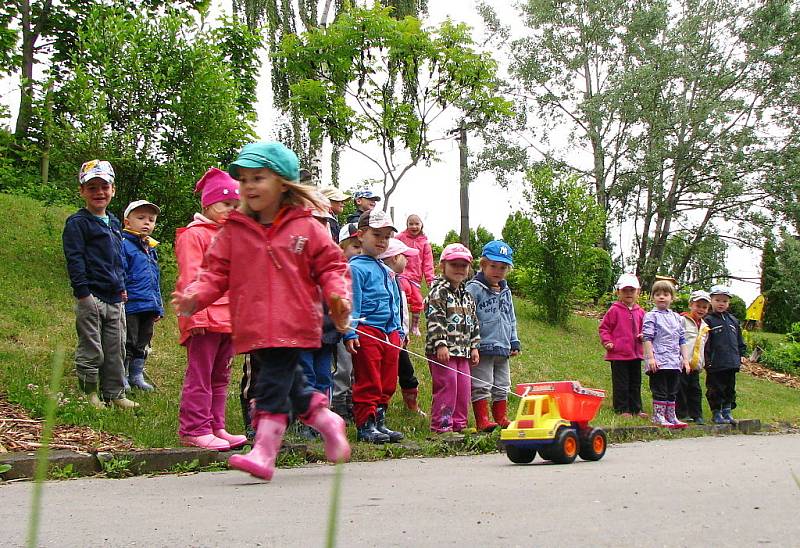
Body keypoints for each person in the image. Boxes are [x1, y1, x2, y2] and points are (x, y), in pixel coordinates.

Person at [172, 142, 352, 481]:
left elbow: (331, 264)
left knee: (269, 384)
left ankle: (264, 452)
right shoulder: (234, 230)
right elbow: (216, 271)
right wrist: (196, 295)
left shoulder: (307, 227)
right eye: (243, 179)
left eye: (258, 178)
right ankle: (326, 420)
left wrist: (336, 296)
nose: (249, 186)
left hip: (294, 322)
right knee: (292, 385)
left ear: (283, 184)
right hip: (252, 325)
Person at [174, 167, 244, 450]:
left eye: (236, 206)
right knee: (200, 375)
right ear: (208, 203)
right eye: (226, 204)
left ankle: (216, 425)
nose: (232, 210)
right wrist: (196, 313)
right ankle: (194, 428)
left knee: (221, 375)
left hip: (229, 319)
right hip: (205, 317)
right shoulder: (195, 235)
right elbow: (191, 276)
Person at [62, 160, 139, 410]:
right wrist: (83, 293)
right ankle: (90, 392)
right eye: (92, 187)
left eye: (104, 186)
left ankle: (115, 393)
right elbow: (75, 259)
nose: (99, 192)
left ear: (113, 190)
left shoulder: (115, 223)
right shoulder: (78, 223)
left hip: (116, 297)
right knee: (92, 348)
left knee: (116, 348)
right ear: (82, 191)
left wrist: (122, 286)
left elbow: (117, 258)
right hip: (91, 296)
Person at [344, 210, 404, 443]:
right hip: (367, 331)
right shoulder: (355, 268)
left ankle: (380, 420)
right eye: (376, 234)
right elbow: (352, 301)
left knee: (388, 380)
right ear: (360, 235)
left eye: (387, 237)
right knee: (369, 378)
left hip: (390, 333)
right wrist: (350, 331)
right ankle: (365, 423)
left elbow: (395, 302)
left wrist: (398, 331)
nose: (382, 241)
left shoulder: (388, 271)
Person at [424, 243, 480, 433]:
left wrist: (474, 346)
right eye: (454, 264)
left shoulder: (467, 295)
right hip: (443, 351)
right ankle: (442, 425)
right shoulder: (438, 291)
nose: (459, 269)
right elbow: (435, 318)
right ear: (443, 266)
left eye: (463, 265)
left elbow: (473, 322)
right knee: (448, 385)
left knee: (463, 388)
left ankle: (459, 424)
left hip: (463, 351)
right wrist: (440, 344)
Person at [466, 240, 520, 431]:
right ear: (483, 265)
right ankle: (482, 420)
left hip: (503, 346)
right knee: (482, 383)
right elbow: (468, 315)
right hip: (483, 346)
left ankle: (501, 418)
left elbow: (511, 317)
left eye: (503, 267)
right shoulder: (474, 288)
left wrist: (514, 340)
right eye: (493, 266)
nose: (498, 271)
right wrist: (472, 342)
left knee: (503, 384)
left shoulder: (506, 291)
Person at [378, 238, 426, 416]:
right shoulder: (384, 281)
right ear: (393, 258)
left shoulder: (401, 282)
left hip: (400, 337)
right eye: (404, 256)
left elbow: (403, 311)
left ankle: (411, 405)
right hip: (385, 336)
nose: (408, 260)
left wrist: (404, 333)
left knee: (407, 372)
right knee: (384, 373)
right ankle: (380, 407)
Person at [121, 200, 164, 392]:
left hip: (148, 304)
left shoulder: (150, 248)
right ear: (127, 222)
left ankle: (136, 374)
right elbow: (119, 272)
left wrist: (158, 306)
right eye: (141, 218)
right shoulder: (124, 245)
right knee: (128, 340)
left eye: (151, 219)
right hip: (130, 304)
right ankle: (121, 374)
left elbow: (155, 280)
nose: (147, 223)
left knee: (143, 340)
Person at [642, 279, 691, 428]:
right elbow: (647, 338)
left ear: (672, 297)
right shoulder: (651, 316)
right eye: (657, 294)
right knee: (660, 389)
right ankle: (658, 416)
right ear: (653, 297)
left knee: (672, 389)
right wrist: (651, 358)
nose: (661, 297)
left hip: (674, 361)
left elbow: (682, 339)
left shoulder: (677, 318)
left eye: (665, 294)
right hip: (659, 361)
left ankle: (671, 415)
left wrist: (685, 360)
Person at [598, 273, 647, 418]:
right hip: (618, 354)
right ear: (618, 292)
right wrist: (607, 341)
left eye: (632, 290)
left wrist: (644, 335)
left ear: (638, 292)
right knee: (621, 383)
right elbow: (604, 328)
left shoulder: (641, 312)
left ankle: (636, 409)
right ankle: (622, 409)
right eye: (625, 290)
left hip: (636, 354)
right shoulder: (614, 310)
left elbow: (646, 328)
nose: (629, 294)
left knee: (635, 383)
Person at [331, 223, 361, 422]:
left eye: (361, 246)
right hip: (340, 325)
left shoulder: (360, 269)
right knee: (342, 366)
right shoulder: (338, 270)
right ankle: (339, 402)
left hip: (356, 325)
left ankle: (350, 401)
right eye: (355, 247)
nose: (359, 251)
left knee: (352, 366)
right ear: (342, 247)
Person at [704, 285, 747, 425]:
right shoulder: (708, 320)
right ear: (711, 301)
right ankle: (716, 412)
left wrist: (741, 354)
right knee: (715, 388)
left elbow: (739, 340)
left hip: (731, 362)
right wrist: (707, 359)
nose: (721, 304)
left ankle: (727, 411)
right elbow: (705, 342)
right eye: (717, 300)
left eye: (724, 301)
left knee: (729, 387)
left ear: (728, 303)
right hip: (716, 363)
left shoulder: (733, 320)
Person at [396, 214, 435, 336]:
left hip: (415, 279)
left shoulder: (424, 243)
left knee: (418, 301)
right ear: (406, 225)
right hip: (402, 274)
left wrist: (430, 280)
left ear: (421, 225)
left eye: (416, 223)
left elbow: (428, 263)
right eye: (411, 224)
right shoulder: (400, 238)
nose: (414, 226)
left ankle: (414, 326)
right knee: (403, 293)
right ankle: (400, 322)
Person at [677, 290, 711, 424]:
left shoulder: (705, 326)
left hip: (696, 365)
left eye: (704, 307)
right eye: (698, 306)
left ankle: (697, 414)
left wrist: (702, 363)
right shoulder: (682, 320)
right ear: (691, 305)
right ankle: (682, 413)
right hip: (682, 363)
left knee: (695, 390)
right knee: (681, 389)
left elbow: (704, 345)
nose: (701, 309)